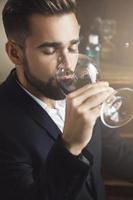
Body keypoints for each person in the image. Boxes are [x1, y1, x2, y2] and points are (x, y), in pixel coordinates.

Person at [1, 0, 133, 200]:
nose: (68, 66)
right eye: (50, 50)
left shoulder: (79, 87)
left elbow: (115, 151)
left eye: (73, 47)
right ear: (15, 53)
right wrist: (70, 145)